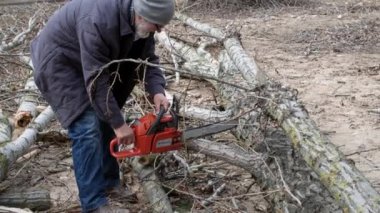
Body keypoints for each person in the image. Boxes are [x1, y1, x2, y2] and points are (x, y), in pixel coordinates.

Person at [30, 0, 175, 212]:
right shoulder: (98, 20)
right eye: (157, 25)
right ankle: (93, 203)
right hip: (59, 62)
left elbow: (148, 60)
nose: (160, 30)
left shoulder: (140, 23)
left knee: (107, 116)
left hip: (90, 61)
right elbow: (97, 82)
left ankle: (109, 182)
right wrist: (119, 124)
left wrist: (157, 92)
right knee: (87, 127)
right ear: (141, 15)